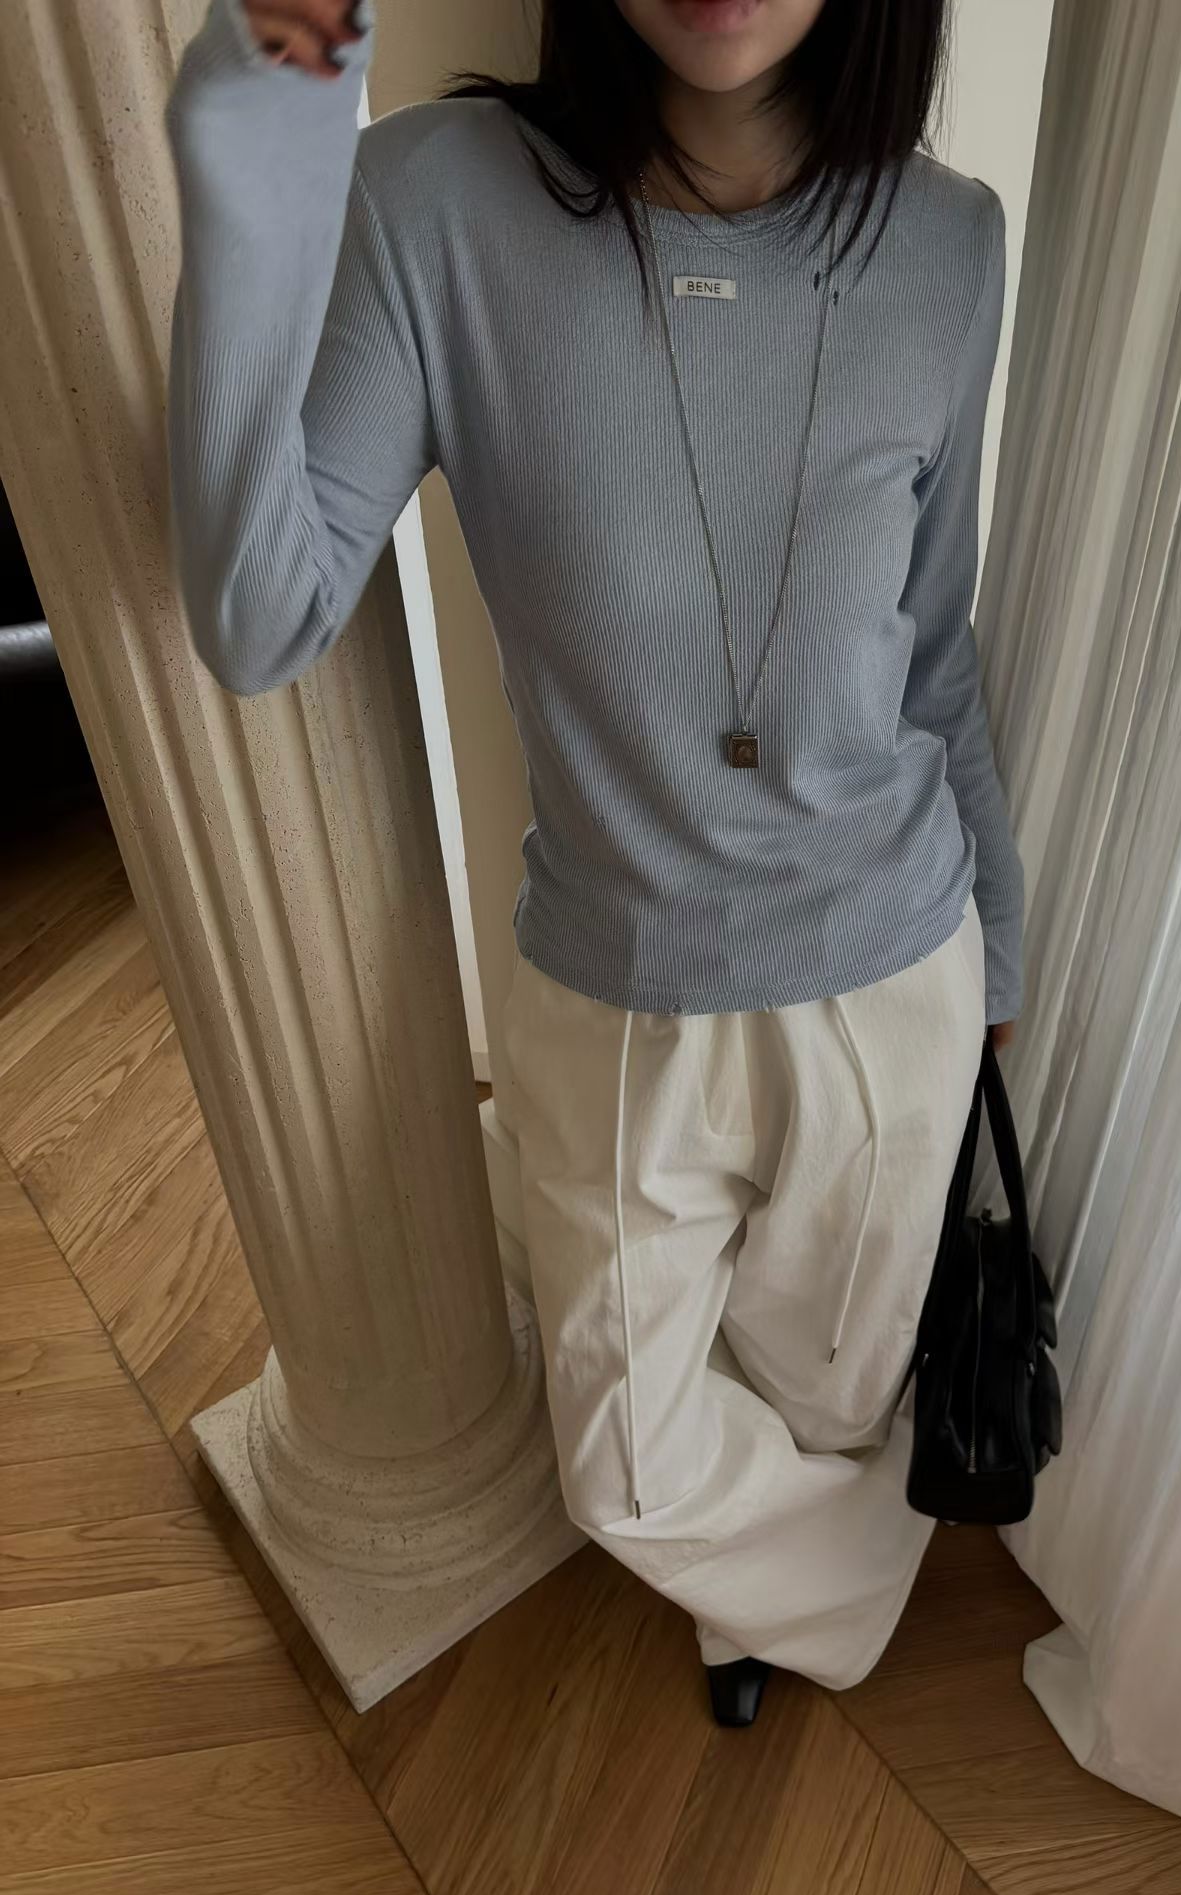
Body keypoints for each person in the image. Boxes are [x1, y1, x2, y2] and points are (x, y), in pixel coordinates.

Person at [164, 0, 1024, 1728]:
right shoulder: (439, 203)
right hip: (616, 985)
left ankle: (753, 1614)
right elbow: (260, 617)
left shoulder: (949, 242)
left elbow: (933, 652)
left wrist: (998, 949)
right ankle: (857, 1576)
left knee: (831, 1383)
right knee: (624, 1466)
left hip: (891, 972)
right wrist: (253, 171)